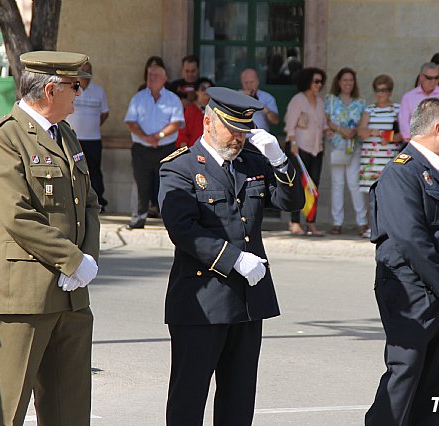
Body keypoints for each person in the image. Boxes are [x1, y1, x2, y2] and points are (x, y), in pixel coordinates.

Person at [158, 87, 304, 425]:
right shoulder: (178, 168)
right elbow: (184, 230)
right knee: (189, 398)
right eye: (232, 129)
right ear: (208, 122)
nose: (238, 138)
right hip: (201, 302)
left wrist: (280, 161)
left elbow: (291, 203)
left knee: (239, 401)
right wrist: (235, 259)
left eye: (244, 130)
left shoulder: (252, 163)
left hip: (247, 302)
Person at [0, 51, 101, 426]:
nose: (79, 94)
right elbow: (16, 214)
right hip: (24, 293)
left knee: (70, 408)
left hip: (71, 292)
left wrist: (86, 261)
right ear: (50, 90)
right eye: (74, 86)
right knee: (7, 406)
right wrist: (73, 259)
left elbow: (89, 203)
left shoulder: (66, 134)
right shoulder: (5, 137)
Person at [367, 97, 439, 425]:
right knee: (405, 378)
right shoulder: (402, 172)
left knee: (434, 386)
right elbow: (411, 238)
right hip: (412, 292)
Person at [124, 62, 184, 229]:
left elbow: (177, 122)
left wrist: (158, 136)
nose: (152, 78)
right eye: (150, 75)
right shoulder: (138, 98)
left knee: (168, 183)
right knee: (140, 183)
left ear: (164, 79)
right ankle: (138, 218)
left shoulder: (173, 99)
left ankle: (169, 220)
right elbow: (130, 121)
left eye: (156, 75)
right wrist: (146, 137)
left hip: (166, 148)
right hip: (141, 149)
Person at [284, 67, 328, 236]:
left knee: (313, 186)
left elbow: (322, 124)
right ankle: (295, 222)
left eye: (320, 81)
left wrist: (330, 130)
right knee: (297, 185)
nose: (319, 85)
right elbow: (290, 124)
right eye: (316, 81)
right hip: (299, 148)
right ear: (307, 82)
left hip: (317, 149)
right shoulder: (298, 100)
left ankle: (311, 223)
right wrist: (292, 141)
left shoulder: (320, 101)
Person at [324, 67, 368, 236]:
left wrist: (355, 130)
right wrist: (340, 129)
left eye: (351, 80)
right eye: (345, 80)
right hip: (336, 146)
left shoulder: (361, 102)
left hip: (353, 146)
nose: (348, 83)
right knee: (337, 184)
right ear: (339, 82)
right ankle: (337, 222)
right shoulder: (331, 100)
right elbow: (326, 120)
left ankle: (362, 222)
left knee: (354, 183)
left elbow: (364, 122)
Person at [67, 61, 110, 211]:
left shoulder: (99, 91)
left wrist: (93, 125)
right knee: (73, 170)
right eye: (83, 70)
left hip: (93, 139)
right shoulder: (72, 89)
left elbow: (105, 113)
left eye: (89, 70)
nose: (86, 73)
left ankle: (99, 201)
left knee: (94, 170)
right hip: (73, 139)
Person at [357, 74, 401, 198]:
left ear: (390, 91)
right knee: (372, 196)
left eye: (383, 90)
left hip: (388, 158)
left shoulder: (397, 109)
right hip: (371, 159)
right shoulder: (369, 109)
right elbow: (361, 131)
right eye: (377, 90)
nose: (380, 93)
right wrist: (373, 132)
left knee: (389, 194)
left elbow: (402, 135)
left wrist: (386, 136)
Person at [398, 62, 439, 142]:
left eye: (436, 78)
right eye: (429, 78)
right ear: (421, 77)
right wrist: (412, 140)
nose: (433, 81)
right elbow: (404, 123)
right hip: (414, 143)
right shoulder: (408, 97)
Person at [176, 77, 213, 148]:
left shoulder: (215, 110)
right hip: (193, 150)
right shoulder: (191, 109)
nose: (206, 92)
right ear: (197, 92)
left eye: (209, 89)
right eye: (203, 89)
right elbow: (182, 133)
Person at [240, 68, 279, 132]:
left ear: (257, 81)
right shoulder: (236, 96)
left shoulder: (267, 98)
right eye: (246, 83)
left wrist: (263, 107)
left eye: (251, 82)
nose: (249, 85)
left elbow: (275, 121)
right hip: (241, 136)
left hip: (261, 137)